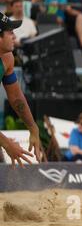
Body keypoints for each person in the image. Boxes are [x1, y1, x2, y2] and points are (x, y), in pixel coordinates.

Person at [0, 11, 41, 166]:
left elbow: (16, 97)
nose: (15, 38)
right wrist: (7, 144)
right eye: (10, 33)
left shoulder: (7, 58)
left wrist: (33, 128)